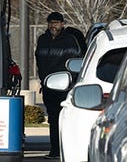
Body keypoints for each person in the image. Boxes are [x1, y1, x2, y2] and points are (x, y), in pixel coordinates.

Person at [35, 11, 83, 160]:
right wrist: (43, 80)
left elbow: (76, 62)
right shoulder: (42, 39)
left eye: (56, 22)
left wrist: (71, 82)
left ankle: (65, 150)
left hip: (64, 86)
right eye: (51, 22)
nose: (53, 25)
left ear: (62, 24)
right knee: (53, 119)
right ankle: (55, 150)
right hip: (48, 86)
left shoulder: (69, 40)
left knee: (65, 119)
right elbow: (39, 61)